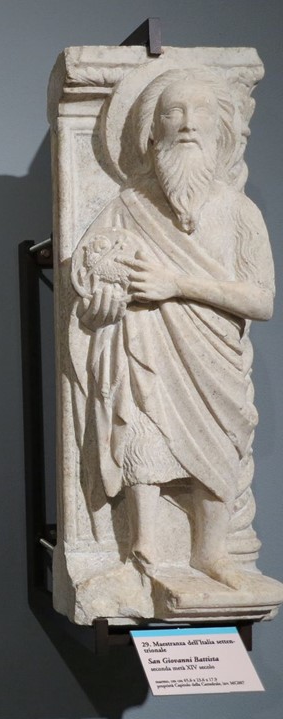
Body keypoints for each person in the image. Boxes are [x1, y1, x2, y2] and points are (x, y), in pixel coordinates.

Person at [76, 68, 273, 588]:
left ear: (220, 131)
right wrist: (106, 294)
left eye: (199, 112)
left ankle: (210, 553)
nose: (187, 124)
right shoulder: (127, 207)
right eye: (173, 113)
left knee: (219, 440)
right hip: (147, 351)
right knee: (144, 426)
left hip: (214, 356)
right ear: (151, 131)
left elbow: (261, 300)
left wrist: (177, 284)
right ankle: (142, 549)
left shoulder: (239, 212)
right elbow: (87, 284)